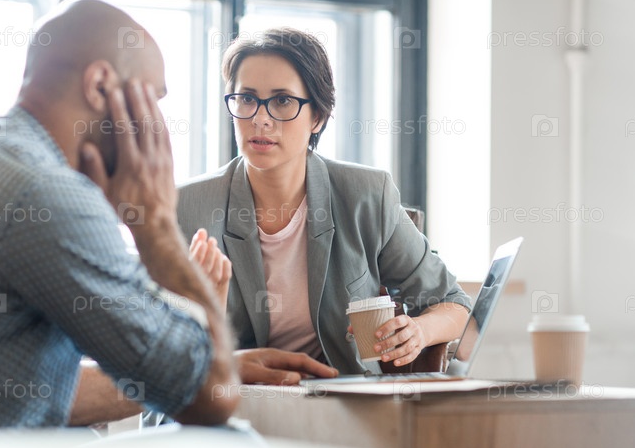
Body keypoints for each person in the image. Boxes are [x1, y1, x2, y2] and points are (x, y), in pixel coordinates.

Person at [0, 0, 239, 427]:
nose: (158, 125)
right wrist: (157, 224)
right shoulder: (46, 194)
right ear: (99, 86)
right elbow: (212, 394)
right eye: (153, 98)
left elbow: (33, 390)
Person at [178, 28, 472, 382]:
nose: (260, 118)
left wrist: (419, 332)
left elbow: (453, 303)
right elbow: (155, 348)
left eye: (282, 101)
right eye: (246, 98)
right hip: (237, 400)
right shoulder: (187, 207)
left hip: (345, 397)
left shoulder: (365, 195)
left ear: (317, 116)